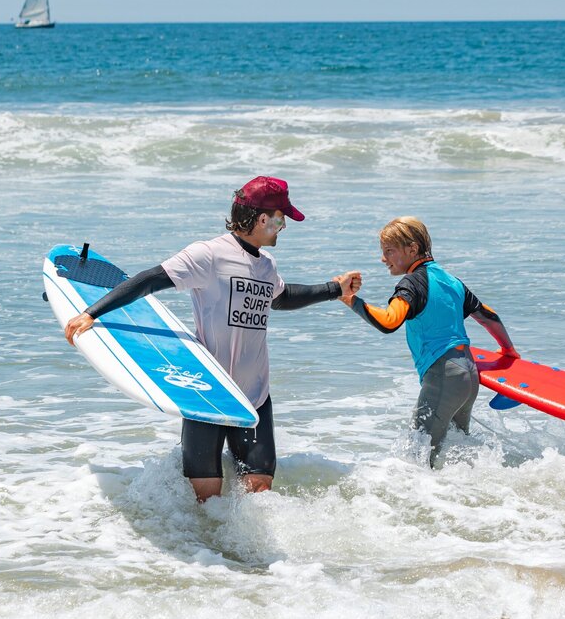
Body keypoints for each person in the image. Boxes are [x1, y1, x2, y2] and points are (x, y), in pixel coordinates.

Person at [64, 176, 361, 501]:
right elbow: (150, 280)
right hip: (207, 395)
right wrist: (92, 313)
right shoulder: (208, 254)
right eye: (281, 218)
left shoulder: (266, 265)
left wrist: (335, 290)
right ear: (263, 218)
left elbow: (282, 297)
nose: (284, 226)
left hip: (254, 398)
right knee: (206, 501)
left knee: (260, 493)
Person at [340, 216, 519, 466]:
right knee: (455, 454)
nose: (383, 259)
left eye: (389, 251)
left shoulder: (413, 283)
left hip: (444, 377)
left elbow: (389, 321)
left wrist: (351, 301)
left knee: (417, 459)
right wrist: (509, 350)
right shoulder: (450, 280)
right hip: (468, 376)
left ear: (412, 249)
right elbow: (489, 317)